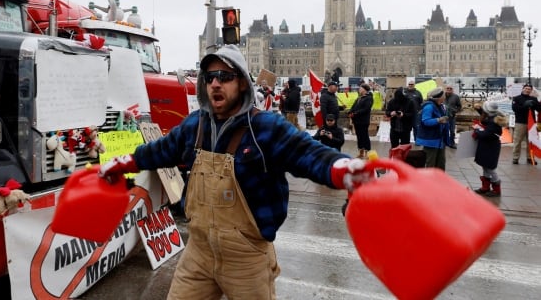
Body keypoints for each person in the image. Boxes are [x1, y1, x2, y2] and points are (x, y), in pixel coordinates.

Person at [98, 45, 368, 299]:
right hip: (198, 253)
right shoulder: (195, 125)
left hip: (247, 260)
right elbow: (160, 150)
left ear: (241, 83)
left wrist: (340, 169)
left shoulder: (265, 127)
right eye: (211, 77)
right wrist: (127, 162)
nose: (215, 83)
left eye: (225, 76)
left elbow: (307, 153)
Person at [473, 101, 508, 197]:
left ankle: (496, 189)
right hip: (489, 145)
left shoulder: (493, 122)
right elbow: (487, 119)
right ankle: (485, 187)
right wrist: (479, 110)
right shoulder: (494, 116)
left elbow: (485, 134)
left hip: (490, 146)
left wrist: (477, 130)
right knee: (485, 165)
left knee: (490, 168)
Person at [416, 87, 448, 170]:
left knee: (441, 163)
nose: (445, 97)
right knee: (430, 163)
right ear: (439, 97)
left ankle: (439, 180)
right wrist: (438, 120)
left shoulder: (440, 106)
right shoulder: (429, 107)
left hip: (440, 139)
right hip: (431, 140)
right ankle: (428, 181)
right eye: (443, 95)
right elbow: (425, 121)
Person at [511, 84, 540, 165]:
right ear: (523, 89)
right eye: (526, 88)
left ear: (531, 90)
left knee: (531, 141)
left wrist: (535, 103)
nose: (527, 90)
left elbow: (539, 109)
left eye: (529, 89)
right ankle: (515, 158)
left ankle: (530, 157)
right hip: (520, 122)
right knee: (517, 141)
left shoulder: (533, 98)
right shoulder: (517, 98)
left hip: (531, 123)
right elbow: (515, 109)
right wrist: (525, 106)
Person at [348, 83, 374, 159]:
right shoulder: (359, 98)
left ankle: (367, 152)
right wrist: (350, 112)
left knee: (364, 136)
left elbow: (366, 109)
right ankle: (361, 152)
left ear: (364, 89)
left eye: (360, 88)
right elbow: (353, 106)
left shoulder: (369, 98)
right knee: (359, 136)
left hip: (363, 121)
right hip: (356, 121)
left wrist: (355, 113)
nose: (359, 89)